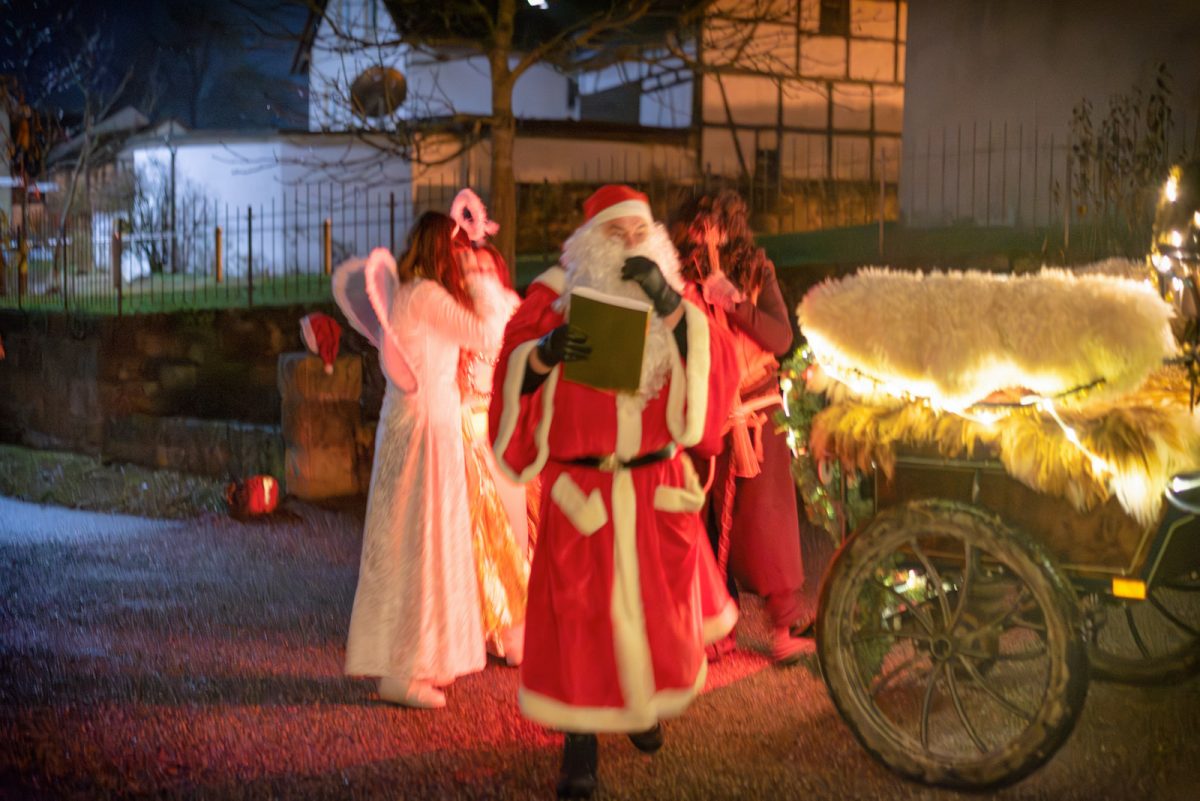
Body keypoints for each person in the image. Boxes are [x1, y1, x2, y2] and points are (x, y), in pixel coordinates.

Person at [488, 184, 740, 799]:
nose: (629, 242)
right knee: (580, 621)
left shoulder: (673, 294)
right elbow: (510, 367)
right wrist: (544, 355)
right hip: (583, 493)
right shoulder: (553, 295)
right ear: (588, 241)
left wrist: (672, 308)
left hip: (653, 486)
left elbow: (718, 367)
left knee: (655, 615)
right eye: (615, 232)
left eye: (638, 232)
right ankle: (580, 745)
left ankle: (641, 707)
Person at [333, 211, 509, 709]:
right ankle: (404, 671)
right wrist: (482, 282)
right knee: (421, 546)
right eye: (458, 252)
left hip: (413, 426)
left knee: (414, 545)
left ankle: (417, 660)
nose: (464, 259)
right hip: (427, 433)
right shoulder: (428, 297)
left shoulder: (412, 293)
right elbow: (486, 335)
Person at [671, 190, 813, 665]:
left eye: (712, 224)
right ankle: (715, 627)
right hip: (701, 415)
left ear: (729, 226)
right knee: (700, 524)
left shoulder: (754, 271)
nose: (704, 234)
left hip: (755, 414)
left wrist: (735, 303)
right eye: (697, 225)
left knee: (767, 526)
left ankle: (783, 627)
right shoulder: (673, 280)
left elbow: (781, 337)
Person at [449, 188, 532, 666]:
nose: (477, 273)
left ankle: (510, 623)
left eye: (484, 267)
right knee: (468, 533)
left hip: (497, 428)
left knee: (509, 529)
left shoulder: (508, 310)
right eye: (470, 267)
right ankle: (472, 625)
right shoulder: (453, 311)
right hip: (462, 428)